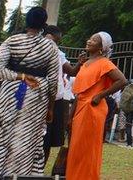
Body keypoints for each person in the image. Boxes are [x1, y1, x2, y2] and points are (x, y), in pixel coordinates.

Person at [0, 7, 60, 179]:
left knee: (2, 134)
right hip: (37, 95)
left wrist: (18, 75)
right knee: (27, 138)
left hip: (10, 93)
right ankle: (22, 174)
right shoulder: (50, 46)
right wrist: (50, 108)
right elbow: (53, 81)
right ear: (44, 24)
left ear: (26, 21)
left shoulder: (12, 41)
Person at [67, 31, 129, 180]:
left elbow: (122, 80)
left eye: (93, 40)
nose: (89, 41)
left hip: (93, 110)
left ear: (102, 47)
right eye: (89, 38)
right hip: (80, 108)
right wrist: (70, 117)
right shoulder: (85, 63)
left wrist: (101, 95)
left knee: (87, 149)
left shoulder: (104, 63)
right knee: (76, 149)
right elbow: (80, 91)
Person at [43, 25, 83, 165]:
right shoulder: (39, 48)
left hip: (57, 100)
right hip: (42, 98)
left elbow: (72, 72)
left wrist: (79, 63)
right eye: (58, 38)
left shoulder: (59, 53)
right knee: (40, 139)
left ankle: (39, 170)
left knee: (47, 140)